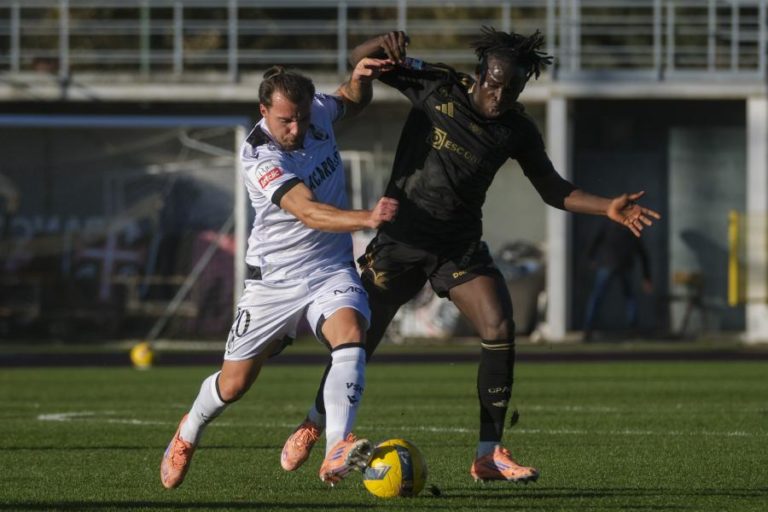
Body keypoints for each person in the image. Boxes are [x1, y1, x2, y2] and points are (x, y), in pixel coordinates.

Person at [281, 27, 661, 483]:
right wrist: (380, 45)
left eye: (512, 88)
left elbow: (553, 188)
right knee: (359, 340)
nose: (499, 95)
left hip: (457, 245)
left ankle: (489, 454)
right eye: (494, 82)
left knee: (499, 324)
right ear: (480, 74)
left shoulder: (517, 129)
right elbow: (360, 58)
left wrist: (607, 207)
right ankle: (315, 421)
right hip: (400, 239)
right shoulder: (437, 85)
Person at [160, 56, 399, 489]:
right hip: (274, 282)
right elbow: (306, 211)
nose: (296, 128)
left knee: (351, 333)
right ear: (264, 112)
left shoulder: (318, 113)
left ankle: (333, 447)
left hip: (329, 267)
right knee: (234, 385)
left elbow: (350, 99)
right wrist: (366, 218)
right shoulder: (259, 155)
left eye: (302, 118)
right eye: (286, 120)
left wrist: (361, 80)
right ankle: (188, 430)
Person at [582, 220, 653, 341]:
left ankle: (588, 329)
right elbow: (642, 253)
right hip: (618, 265)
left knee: (599, 297)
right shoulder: (621, 226)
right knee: (626, 297)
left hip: (612, 264)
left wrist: (590, 257)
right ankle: (632, 329)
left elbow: (642, 252)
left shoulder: (612, 225)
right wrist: (646, 277)